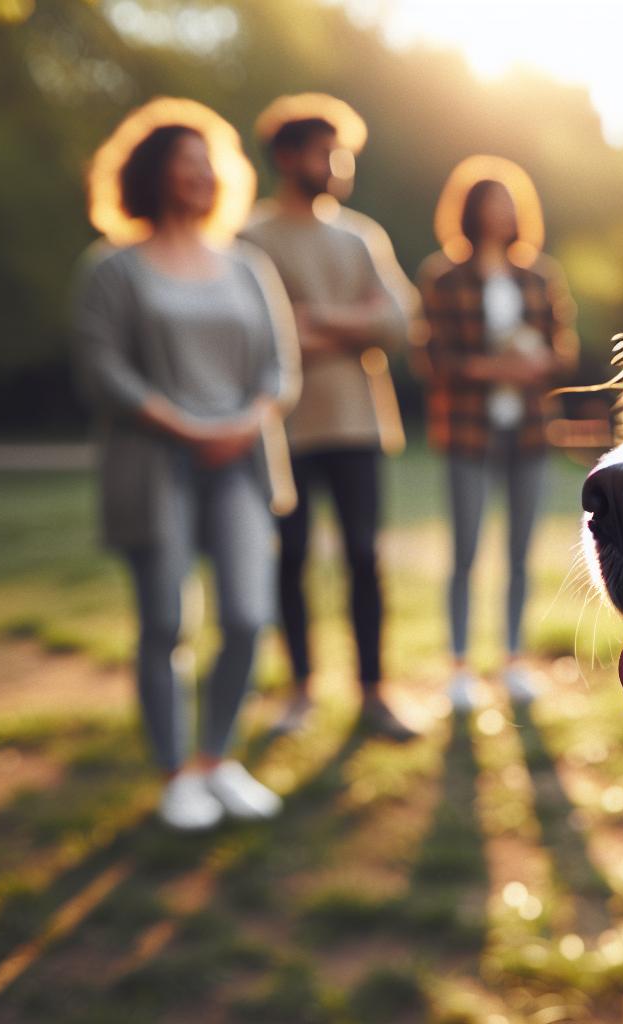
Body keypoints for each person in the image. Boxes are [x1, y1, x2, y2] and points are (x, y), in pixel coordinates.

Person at [72, 99, 300, 830]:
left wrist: (244, 422)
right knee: (165, 622)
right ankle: (175, 774)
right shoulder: (113, 269)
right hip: (155, 462)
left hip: (239, 461)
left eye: (210, 165)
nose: (201, 177)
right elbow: (102, 369)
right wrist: (178, 422)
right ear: (152, 175)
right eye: (186, 163)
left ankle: (217, 760)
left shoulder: (246, 265)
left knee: (246, 614)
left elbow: (278, 367)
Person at [242, 94, 421, 741]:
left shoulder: (361, 234)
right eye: (325, 151)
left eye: (341, 152)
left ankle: (375, 694)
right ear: (288, 157)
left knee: (363, 557)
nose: (337, 164)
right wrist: (355, 322)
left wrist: (317, 320)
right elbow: (258, 334)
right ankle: (300, 692)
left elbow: (401, 321)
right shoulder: (250, 238)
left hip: (358, 426)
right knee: (286, 558)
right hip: (282, 428)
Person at [417, 156, 578, 712]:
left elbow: (564, 349)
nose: (500, 214)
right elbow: (432, 357)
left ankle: (512, 660)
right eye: (490, 204)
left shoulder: (540, 277)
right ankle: (460, 665)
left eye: (508, 205)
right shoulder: (444, 277)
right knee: (464, 551)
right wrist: (492, 370)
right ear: (470, 213)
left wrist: (537, 365)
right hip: (468, 433)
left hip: (529, 435)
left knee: (520, 553)